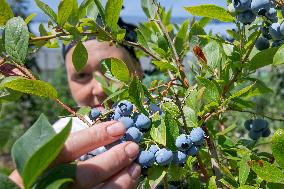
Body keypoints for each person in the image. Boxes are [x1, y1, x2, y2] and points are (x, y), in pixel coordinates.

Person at [9, 21, 144, 189]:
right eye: (81, 75)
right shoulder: (59, 137)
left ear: (139, 69)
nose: (99, 89)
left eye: (112, 71)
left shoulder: (170, 116)